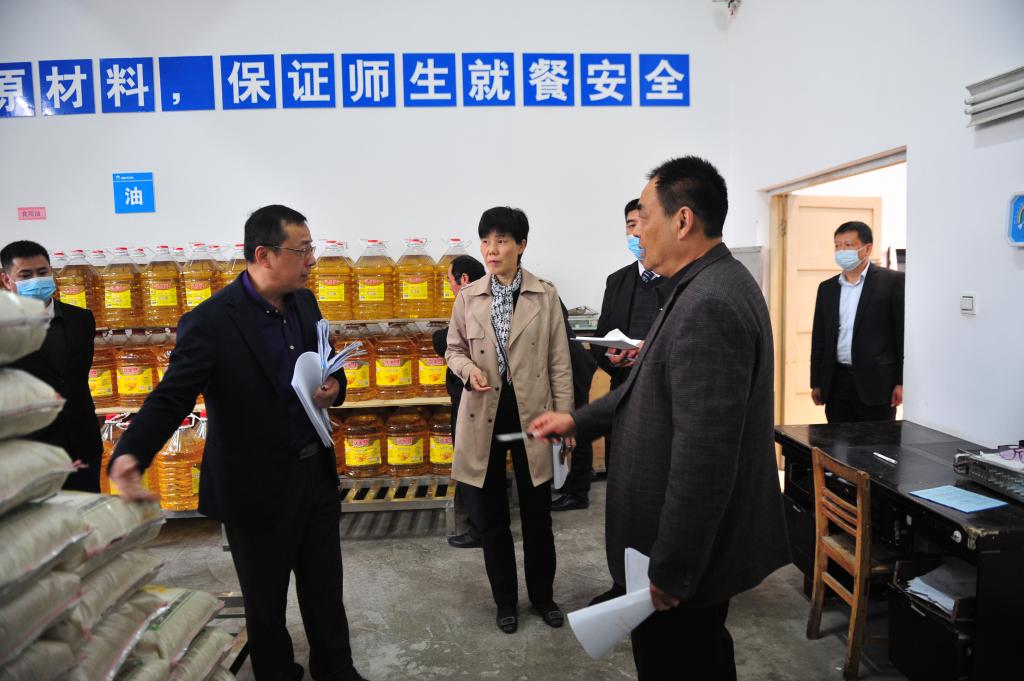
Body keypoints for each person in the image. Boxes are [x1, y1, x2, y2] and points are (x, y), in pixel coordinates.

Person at [530, 157, 789, 681]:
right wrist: (578, 422)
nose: (637, 232)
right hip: (676, 549)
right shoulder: (700, 284)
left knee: (679, 660)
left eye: (644, 217)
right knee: (698, 656)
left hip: (677, 561)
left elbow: (704, 458)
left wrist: (672, 568)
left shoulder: (708, 303)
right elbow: (649, 387)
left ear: (683, 220)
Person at [109, 205, 368, 681]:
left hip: (313, 473)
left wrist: (336, 387)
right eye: (302, 250)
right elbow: (171, 396)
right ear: (264, 255)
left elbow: (327, 364)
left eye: (311, 248)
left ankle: (336, 669)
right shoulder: (210, 322)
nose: (312, 259)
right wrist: (132, 453)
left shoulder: (305, 304)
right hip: (254, 485)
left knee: (326, 588)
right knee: (265, 602)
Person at [445, 206, 574, 634]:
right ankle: (505, 601)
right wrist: (468, 370)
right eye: (486, 241)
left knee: (538, 515)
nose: (492, 250)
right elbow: (453, 350)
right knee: (492, 517)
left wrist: (566, 419)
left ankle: (543, 597)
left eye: (501, 241)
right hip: (484, 412)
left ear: (521, 245)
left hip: (533, 415)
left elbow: (559, 362)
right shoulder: (468, 296)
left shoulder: (545, 295)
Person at [552, 198, 663, 512]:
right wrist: (611, 357)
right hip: (622, 390)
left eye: (642, 223)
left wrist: (648, 354)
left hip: (662, 395)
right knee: (622, 477)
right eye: (630, 225)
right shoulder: (618, 281)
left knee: (656, 481)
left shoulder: (680, 279)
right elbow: (603, 336)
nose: (636, 233)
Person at [1, 240, 102, 492]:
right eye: (25, 275)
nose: (36, 280)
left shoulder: (81, 319)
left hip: (82, 441)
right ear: (6, 280)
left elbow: (74, 378)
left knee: (85, 509)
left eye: (42, 272)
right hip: (27, 448)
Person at [810, 221, 905, 423]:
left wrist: (902, 382)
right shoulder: (827, 288)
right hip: (836, 383)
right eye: (837, 246)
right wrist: (816, 381)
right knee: (836, 440)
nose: (841, 251)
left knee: (877, 441)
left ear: (867, 249)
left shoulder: (891, 282)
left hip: (877, 385)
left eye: (848, 245)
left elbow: (901, 335)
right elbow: (819, 338)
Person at [431, 254, 486, 549]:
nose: (449, 286)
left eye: (449, 280)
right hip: (474, 391)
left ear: (463, 279)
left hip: (471, 395)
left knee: (471, 460)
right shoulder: (486, 297)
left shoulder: (472, 301)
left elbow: (447, 342)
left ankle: (479, 528)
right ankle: (479, 521)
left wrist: (439, 336)